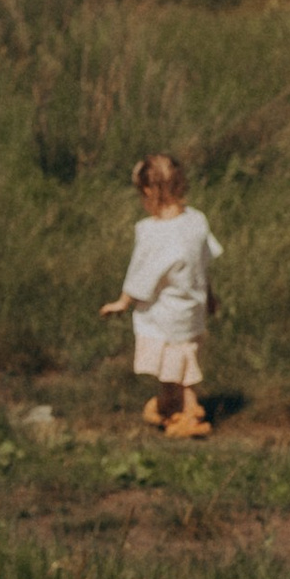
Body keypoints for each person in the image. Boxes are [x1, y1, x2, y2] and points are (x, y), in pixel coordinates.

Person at [102, 152, 221, 439]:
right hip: (192, 308)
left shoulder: (153, 233)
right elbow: (202, 263)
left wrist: (124, 301)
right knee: (182, 360)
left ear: (147, 191)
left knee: (176, 365)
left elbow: (141, 273)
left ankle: (189, 412)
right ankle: (169, 406)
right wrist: (210, 295)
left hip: (167, 314)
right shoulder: (196, 221)